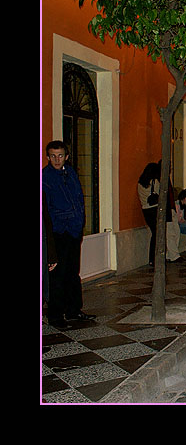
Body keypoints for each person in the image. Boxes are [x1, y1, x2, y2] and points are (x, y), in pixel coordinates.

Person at [42, 140, 96, 328]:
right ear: (48, 157)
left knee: (73, 273)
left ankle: (74, 310)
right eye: (53, 156)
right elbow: (45, 210)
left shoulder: (70, 173)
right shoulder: (45, 177)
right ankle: (56, 316)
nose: (57, 159)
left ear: (66, 156)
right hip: (58, 232)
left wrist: (79, 223)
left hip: (73, 230)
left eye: (60, 155)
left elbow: (79, 199)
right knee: (57, 275)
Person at [137, 162, 181, 266]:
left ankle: (152, 259)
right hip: (155, 209)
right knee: (158, 234)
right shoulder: (155, 182)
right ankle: (156, 258)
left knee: (155, 234)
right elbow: (161, 196)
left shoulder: (140, 183)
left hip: (145, 210)